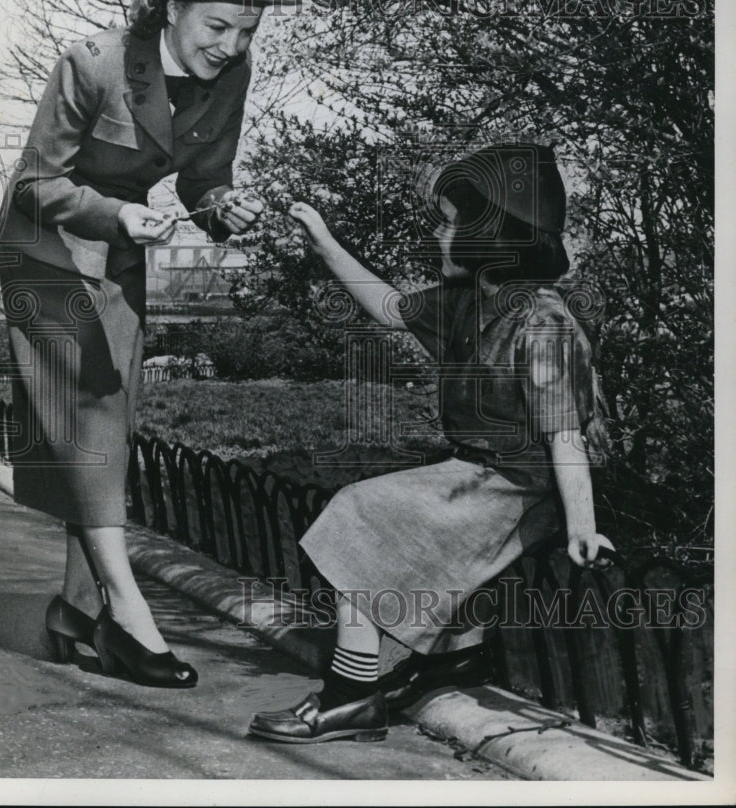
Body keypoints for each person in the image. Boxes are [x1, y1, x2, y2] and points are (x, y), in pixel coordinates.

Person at [0, 0, 292, 687]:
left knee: (107, 425)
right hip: (47, 251)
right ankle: (127, 617)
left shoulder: (230, 73)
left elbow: (204, 178)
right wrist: (119, 215)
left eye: (246, 33)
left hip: (121, 253)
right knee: (89, 409)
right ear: (171, 8)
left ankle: (71, 606)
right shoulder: (92, 63)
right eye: (216, 26)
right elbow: (35, 185)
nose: (230, 46)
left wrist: (228, 207)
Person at [248, 143, 613, 742]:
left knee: (362, 511)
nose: (438, 236)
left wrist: (581, 526)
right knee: (382, 512)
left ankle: (351, 696)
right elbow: (389, 309)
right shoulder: (470, 301)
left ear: (489, 236)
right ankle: (452, 658)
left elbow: (564, 435)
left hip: (520, 486)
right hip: (475, 475)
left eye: (448, 224)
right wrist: (323, 242)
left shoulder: (543, 321)